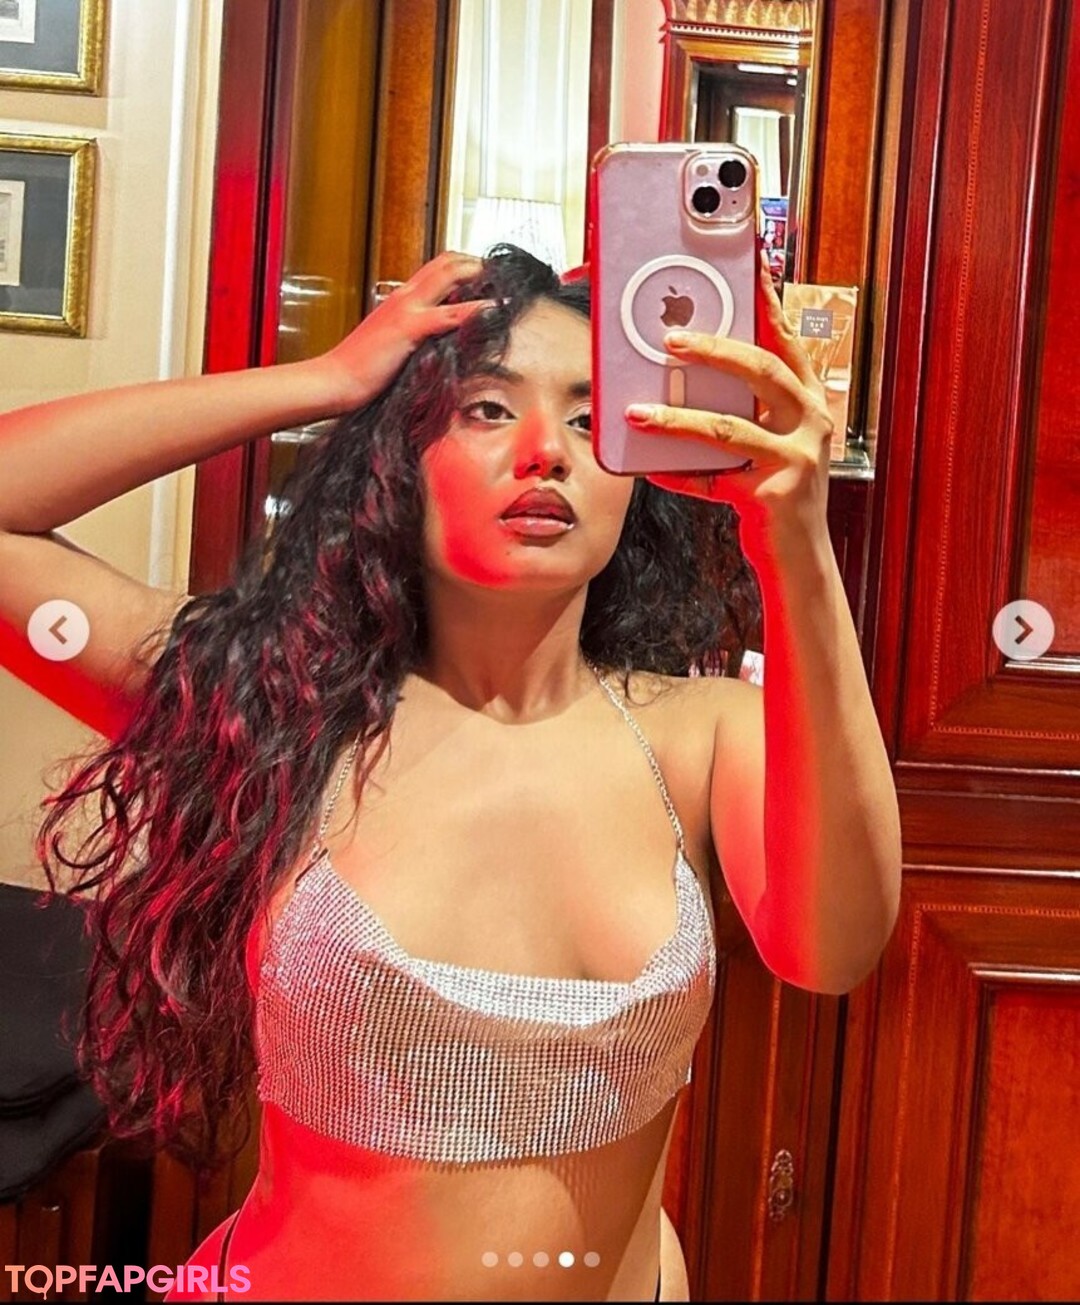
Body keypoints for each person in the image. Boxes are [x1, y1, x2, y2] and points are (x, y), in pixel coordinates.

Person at [0, 244, 901, 1302]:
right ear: (401, 459)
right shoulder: (282, 708)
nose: (545, 452)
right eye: (486, 409)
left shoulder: (702, 739)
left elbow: (834, 949)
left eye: (590, 420)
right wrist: (327, 380)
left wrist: (796, 539)